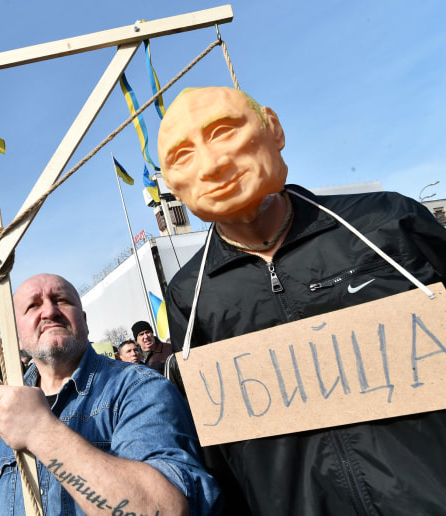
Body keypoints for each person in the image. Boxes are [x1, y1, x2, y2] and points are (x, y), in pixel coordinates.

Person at [158, 86, 446, 515]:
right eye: (183, 156)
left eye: (223, 131)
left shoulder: (386, 222)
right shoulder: (188, 294)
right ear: (171, 186)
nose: (214, 164)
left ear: (272, 128)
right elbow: (220, 452)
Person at [0, 273, 221, 515]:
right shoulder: (5, 407)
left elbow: (164, 508)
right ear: (17, 337)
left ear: (83, 319)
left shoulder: (139, 389)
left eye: (62, 300)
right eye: (33, 306)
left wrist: (40, 432)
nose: (49, 311)